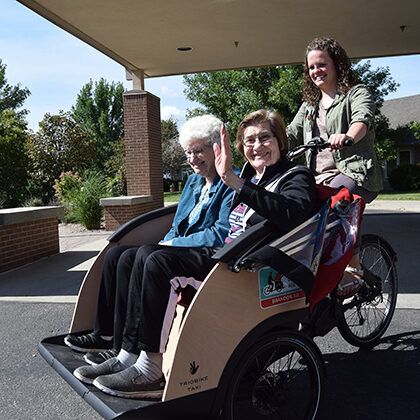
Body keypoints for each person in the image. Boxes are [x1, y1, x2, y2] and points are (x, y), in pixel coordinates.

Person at [73, 109, 316, 399]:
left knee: (159, 261)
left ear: (280, 141)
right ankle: (128, 354)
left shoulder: (294, 175)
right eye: (250, 140)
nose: (257, 145)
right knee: (142, 255)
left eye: (265, 137)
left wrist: (235, 182)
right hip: (231, 256)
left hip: (251, 267)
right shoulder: (255, 176)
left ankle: (150, 370)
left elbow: (294, 214)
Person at [65, 115, 235, 365]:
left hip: (203, 256)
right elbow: (178, 225)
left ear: (216, 148)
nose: (191, 159)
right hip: (178, 251)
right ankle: (108, 336)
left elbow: (219, 233)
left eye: (198, 151)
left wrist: (168, 245)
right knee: (117, 255)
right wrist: (166, 242)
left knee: (148, 254)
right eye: (188, 153)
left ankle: (130, 348)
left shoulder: (230, 182)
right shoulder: (192, 182)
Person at [287, 37, 383, 298]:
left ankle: (353, 268)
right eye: (311, 67)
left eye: (322, 64)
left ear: (337, 64)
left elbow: (362, 118)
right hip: (319, 176)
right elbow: (290, 134)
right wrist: (264, 143)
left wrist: (348, 136)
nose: (316, 71)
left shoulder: (355, 93)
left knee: (337, 202)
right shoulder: (308, 107)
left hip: (354, 172)